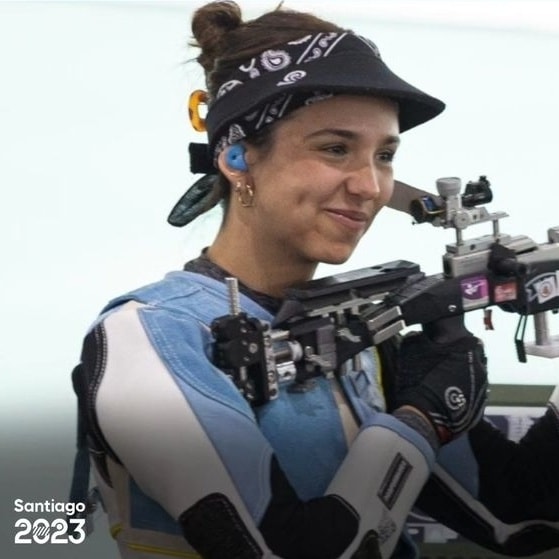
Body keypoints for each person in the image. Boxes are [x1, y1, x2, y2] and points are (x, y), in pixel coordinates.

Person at [69, 2, 559, 558]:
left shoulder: (365, 333)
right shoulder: (152, 336)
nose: (370, 186)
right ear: (235, 158)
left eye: (386, 155)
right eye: (335, 149)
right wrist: (420, 421)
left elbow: (525, 514)